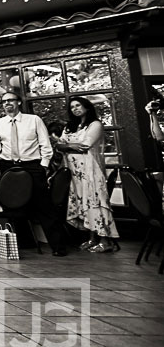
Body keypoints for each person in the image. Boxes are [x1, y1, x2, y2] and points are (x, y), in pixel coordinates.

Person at [0, 90, 68, 256]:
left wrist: (44, 167)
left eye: (11, 100)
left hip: (32, 166)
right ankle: (25, 243)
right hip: (8, 166)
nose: (7, 104)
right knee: (13, 206)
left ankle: (58, 246)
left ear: (18, 102)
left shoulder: (33, 120)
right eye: (4, 102)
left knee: (44, 206)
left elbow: (45, 145)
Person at [56, 96, 119, 253]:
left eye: (78, 105)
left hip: (91, 170)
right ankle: (91, 238)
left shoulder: (95, 124)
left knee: (96, 202)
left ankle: (106, 240)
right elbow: (58, 145)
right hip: (74, 173)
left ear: (87, 107)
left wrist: (66, 145)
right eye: (72, 107)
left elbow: (85, 146)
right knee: (84, 204)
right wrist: (69, 145)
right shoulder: (71, 126)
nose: (75, 109)